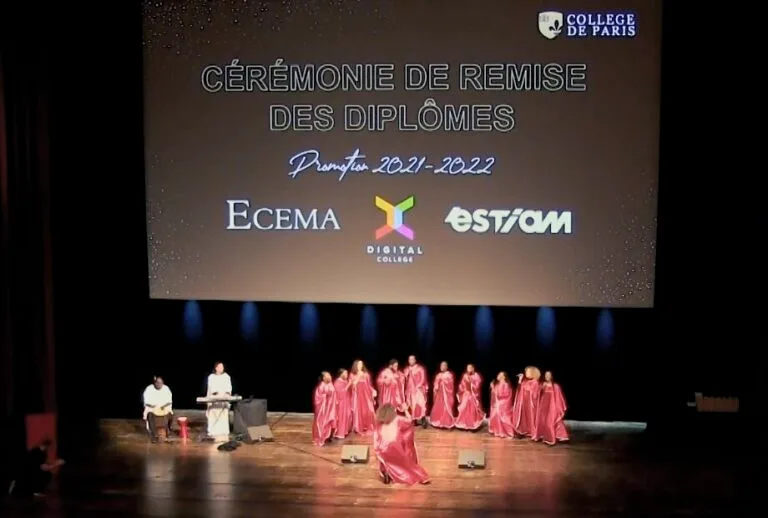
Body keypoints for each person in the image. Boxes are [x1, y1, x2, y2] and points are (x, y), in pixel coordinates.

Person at [373, 404, 430, 486]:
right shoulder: (397, 419)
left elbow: (376, 437)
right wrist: (406, 409)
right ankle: (418, 477)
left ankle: (385, 471)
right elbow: (410, 421)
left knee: (383, 457)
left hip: (383, 450)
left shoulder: (379, 422)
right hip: (395, 449)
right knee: (407, 463)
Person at [533, 371, 570, 446]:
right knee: (543, 420)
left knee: (552, 420)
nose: (547, 376)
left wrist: (557, 406)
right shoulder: (543, 384)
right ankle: (542, 435)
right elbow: (536, 393)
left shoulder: (555, 386)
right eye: (546, 375)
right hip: (543, 406)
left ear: (551, 376)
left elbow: (559, 397)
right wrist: (540, 388)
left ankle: (558, 436)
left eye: (549, 375)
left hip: (552, 406)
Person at [205, 361, 233, 440]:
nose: (221, 368)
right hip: (214, 400)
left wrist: (227, 393)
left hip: (223, 399)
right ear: (216, 368)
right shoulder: (211, 377)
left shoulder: (226, 376)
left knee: (223, 415)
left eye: (222, 367)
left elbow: (229, 387)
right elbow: (211, 387)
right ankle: (213, 431)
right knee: (213, 414)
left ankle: (223, 431)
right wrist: (216, 393)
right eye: (220, 367)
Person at [512, 366, 541, 438]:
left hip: (530, 404)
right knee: (523, 418)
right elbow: (519, 389)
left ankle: (531, 431)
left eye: (527, 372)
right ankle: (522, 431)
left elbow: (534, 394)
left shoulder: (535, 382)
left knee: (530, 417)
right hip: (523, 403)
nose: (526, 373)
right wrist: (520, 379)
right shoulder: (525, 381)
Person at [143, 376, 173, 442]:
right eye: (157, 383)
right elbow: (146, 402)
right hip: (152, 408)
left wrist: (163, 406)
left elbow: (169, 401)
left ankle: (167, 432)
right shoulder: (149, 389)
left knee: (169, 414)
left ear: (163, 383)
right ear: (154, 383)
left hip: (164, 407)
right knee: (149, 414)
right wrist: (153, 406)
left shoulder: (166, 388)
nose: (159, 384)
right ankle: (154, 435)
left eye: (161, 383)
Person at [350, 359, 377, 434]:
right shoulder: (353, 374)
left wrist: (373, 390)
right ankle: (359, 427)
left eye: (361, 364)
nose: (360, 366)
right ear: (355, 365)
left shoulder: (366, 374)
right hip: (358, 395)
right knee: (359, 411)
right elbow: (353, 385)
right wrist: (359, 376)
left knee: (368, 410)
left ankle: (367, 426)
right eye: (358, 364)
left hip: (366, 395)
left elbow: (369, 385)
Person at [455, 364, 485, 430]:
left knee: (472, 410)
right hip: (466, 394)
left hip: (473, 395)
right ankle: (463, 424)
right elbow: (462, 384)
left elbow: (478, 385)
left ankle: (472, 424)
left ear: (473, 368)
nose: (469, 369)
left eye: (470, 367)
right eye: (468, 367)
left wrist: (472, 383)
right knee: (464, 408)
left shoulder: (476, 376)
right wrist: (461, 389)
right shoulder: (465, 375)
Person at [312, 371, 337, 446]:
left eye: (329, 375)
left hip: (330, 408)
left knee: (331, 422)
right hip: (323, 409)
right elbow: (318, 399)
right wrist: (325, 396)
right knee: (322, 423)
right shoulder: (321, 386)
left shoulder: (330, 384)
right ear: (323, 378)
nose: (329, 376)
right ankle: (320, 438)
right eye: (327, 375)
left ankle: (327, 437)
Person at [488, 372, 516, 438]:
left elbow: (501, 395)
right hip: (500, 402)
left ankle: (508, 432)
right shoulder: (498, 384)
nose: (498, 376)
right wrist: (493, 388)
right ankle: (499, 431)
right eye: (498, 375)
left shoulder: (505, 384)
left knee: (502, 415)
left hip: (504, 403)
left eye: (500, 375)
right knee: (495, 414)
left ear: (504, 377)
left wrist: (493, 388)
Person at [404, 355, 429, 427]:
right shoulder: (406, 369)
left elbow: (423, 379)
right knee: (412, 405)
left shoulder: (420, 368)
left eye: (412, 359)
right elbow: (404, 379)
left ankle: (423, 420)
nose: (411, 361)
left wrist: (418, 386)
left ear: (415, 360)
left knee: (421, 404)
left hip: (418, 389)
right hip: (410, 390)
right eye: (409, 359)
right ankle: (414, 420)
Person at [429, 361, 455, 429]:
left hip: (446, 395)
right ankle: (438, 421)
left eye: (444, 366)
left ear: (446, 367)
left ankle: (446, 423)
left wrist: (443, 381)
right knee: (439, 407)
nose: (442, 367)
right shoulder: (438, 375)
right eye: (441, 366)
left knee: (446, 408)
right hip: (439, 395)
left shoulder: (449, 375)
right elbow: (435, 384)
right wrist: (436, 386)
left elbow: (451, 385)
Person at [333, 368, 353, 439]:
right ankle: (339, 433)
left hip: (346, 402)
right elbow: (341, 393)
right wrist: (349, 384)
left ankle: (345, 431)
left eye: (347, 373)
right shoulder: (337, 382)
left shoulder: (344, 381)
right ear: (341, 374)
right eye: (345, 373)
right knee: (342, 416)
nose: (347, 375)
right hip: (341, 403)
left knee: (347, 415)